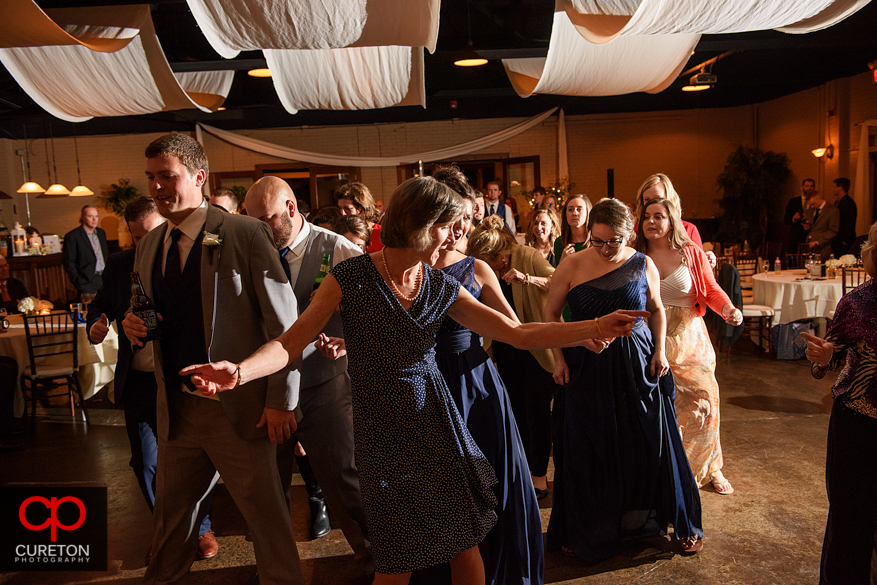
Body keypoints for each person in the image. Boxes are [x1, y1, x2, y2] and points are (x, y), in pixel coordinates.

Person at [182, 176, 646, 585]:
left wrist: (593, 327)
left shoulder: (441, 285)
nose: (454, 235)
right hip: (384, 435)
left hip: (438, 427)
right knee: (396, 558)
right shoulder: (352, 277)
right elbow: (290, 343)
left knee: (464, 544)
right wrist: (238, 372)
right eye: (446, 225)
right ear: (421, 224)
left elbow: (516, 332)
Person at [121, 133, 304, 585]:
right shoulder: (148, 245)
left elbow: (286, 326)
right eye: (151, 178)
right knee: (171, 522)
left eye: (167, 176)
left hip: (238, 411)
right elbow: (145, 306)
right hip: (177, 410)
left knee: (267, 521)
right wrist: (131, 323)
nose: (157, 187)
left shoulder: (243, 233)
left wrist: (282, 399)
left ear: (199, 177)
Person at [544, 197, 704, 561]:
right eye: (596, 241)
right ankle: (587, 528)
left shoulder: (642, 262)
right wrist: (558, 357)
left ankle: (666, 521)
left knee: (649, 443)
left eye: (612, 241)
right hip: (586, 364)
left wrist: (660, 351)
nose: (603, 249)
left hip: (637, 364)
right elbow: (551, 314)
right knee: (589, 448)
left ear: (628, 234)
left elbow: (658, 310)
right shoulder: (571, 264)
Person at [244, 176, 372, 574]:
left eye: (268, 220)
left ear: (292, 210)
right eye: (254, 222)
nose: (262, 230)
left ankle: (376, 559)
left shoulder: (338, 249)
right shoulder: (252, 247)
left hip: (325, 382)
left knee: (343, 476)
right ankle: (278, 570)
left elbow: (373, 313)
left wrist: (348, 340)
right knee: (267, 483)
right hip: (266, 385)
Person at [422, 165, 544, 584]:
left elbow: (518, 332)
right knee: (440, 490)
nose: (459, 228)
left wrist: (583, 334)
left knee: (490, 481)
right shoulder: (405, 267)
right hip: (426, 390)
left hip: (476, 386)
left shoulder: (476, 269)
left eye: (464, 219)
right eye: (449, 219)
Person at [87, 197, 221, 561]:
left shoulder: (183, 259)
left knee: (196, 459)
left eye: (147, 235)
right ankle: (169, 531)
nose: (141, 245)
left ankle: (202, 528)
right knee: (144, 462)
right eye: (135, 238)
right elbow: (100, 304)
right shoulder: (118, 264)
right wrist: (97, 324)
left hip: (178, 376)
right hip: (140, 380)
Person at [635, 197, 743, 494]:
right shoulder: (634, 254)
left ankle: (709, 467)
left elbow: (709, 289)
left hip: (689, 338)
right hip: (648, 339)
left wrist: (728, 309)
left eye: (659, 216)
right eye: (646, 216)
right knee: (658, 409)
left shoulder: (690, 253)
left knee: (706, 399)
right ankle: (666, 473)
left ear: (672, 221)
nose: (651, 222)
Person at [801, 220, 877, 585]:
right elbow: (826, 365)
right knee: (850, 519)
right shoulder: (857, 303)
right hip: (857, 425)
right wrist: (823, 356)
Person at [467, 215, 556, 501]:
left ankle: (540, 477)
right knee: (515, 412)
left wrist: (528, 278)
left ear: (500, 256)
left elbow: (559, 283)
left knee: (538, 413)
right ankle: (522, 472)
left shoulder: (527, 255)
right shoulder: (486, 267)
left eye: (487, 262)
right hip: (506, 348)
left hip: (537, 349)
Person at [634, 174, 703, 247]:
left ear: (670, 200)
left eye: (657, 198)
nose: (652, 203)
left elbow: (697, 256)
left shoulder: (688, 229)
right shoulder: (635, 232)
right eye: (647, 199)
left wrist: (708, 258)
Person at [62, 205, 109, 304]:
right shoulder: (73, 236)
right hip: (87, 281)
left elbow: (105, 255)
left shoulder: (101, 233)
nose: (94, 219)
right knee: (89, 314)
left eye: (96, 216)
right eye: (90, 216)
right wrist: (79, 281)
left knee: (106, 313)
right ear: (82, 217)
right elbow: (69, 261)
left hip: (104, 279)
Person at [335, 182, 383, 252]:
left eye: (347, 208)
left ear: (361, 208)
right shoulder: (339, 232)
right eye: (340, 208)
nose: (342, 213)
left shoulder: (381, 234)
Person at [553, 194, 592, 266]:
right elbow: (559, 276)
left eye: (579, 209)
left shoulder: (596, 240)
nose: (574, 213)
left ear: (588, 212)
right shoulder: (560, 242)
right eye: (570, 210)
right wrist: (563, 261)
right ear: (565, 214)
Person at [803, 189, 840, 261]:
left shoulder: (832, 211)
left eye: (813, 204)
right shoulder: (811, 210)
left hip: (823, 248)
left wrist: (818, 242)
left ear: (818, 198)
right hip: (809, 247)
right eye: (810, 205)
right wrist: (806, 227)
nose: (812, 207)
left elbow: (833, 231)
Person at [784, 178, 816, 256]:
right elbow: (786, 219)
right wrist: (794, 218)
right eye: (807, 186)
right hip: (796, 237)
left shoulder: (816, 202)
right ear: (802, 187)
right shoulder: (793, 201)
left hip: (811, 236)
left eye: (811, 186)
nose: (809, 188)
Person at [831, 177, 857, 258]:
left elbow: (849, 222)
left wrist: (845, 241)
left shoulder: (848, 203)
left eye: (835, 187)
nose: (833, 189)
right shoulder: (838, 202)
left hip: (844, 240)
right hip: (838, 239)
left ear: (840, 188)